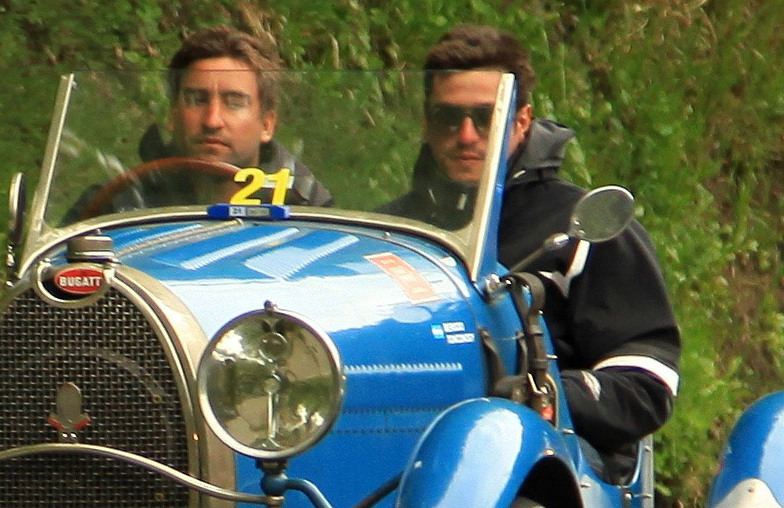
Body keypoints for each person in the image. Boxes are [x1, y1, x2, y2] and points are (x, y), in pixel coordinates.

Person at [384, 25, 680, 473]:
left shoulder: (584, 228)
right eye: (449, 118)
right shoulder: (390, 230)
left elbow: (647, 383)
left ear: (521, 120)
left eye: (486, 118)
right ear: (426, 124)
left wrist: (546, 393)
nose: (466, 135)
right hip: (397, 455)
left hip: (548, 472)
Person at [70, 26, 331, 218]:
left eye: (234, 102)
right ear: (172, 116)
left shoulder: (308, 209)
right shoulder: (117, 205)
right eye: (196, 99)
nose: (212, 120)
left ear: (267, 125)